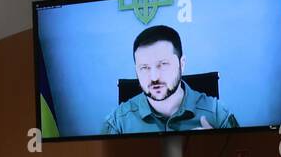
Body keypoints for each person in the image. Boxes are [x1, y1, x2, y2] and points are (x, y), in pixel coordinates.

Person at [100, 25, 238, 135]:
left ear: (182, 64)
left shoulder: (219, 115)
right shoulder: (117, 123)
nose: (154, 77)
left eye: (163, 64)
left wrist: (219, 146)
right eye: (144, 68)